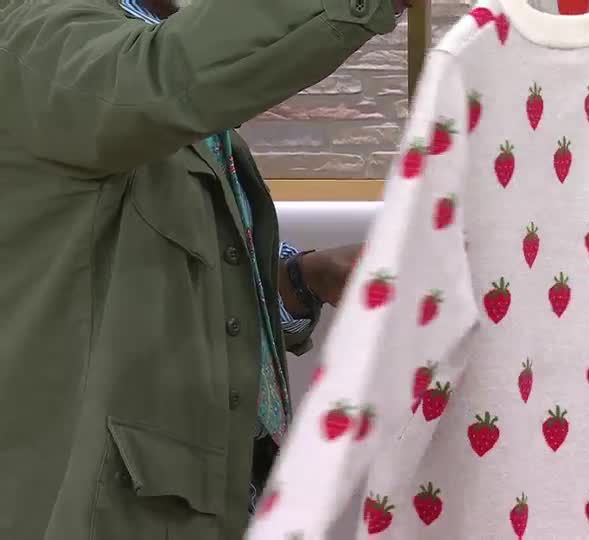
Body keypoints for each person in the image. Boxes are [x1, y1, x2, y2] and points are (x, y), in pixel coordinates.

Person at [0, 0, 407, 537]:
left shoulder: (143, 66)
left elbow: (157, 275)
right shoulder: (39, 36)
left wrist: (302, 280)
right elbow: (160, 79)